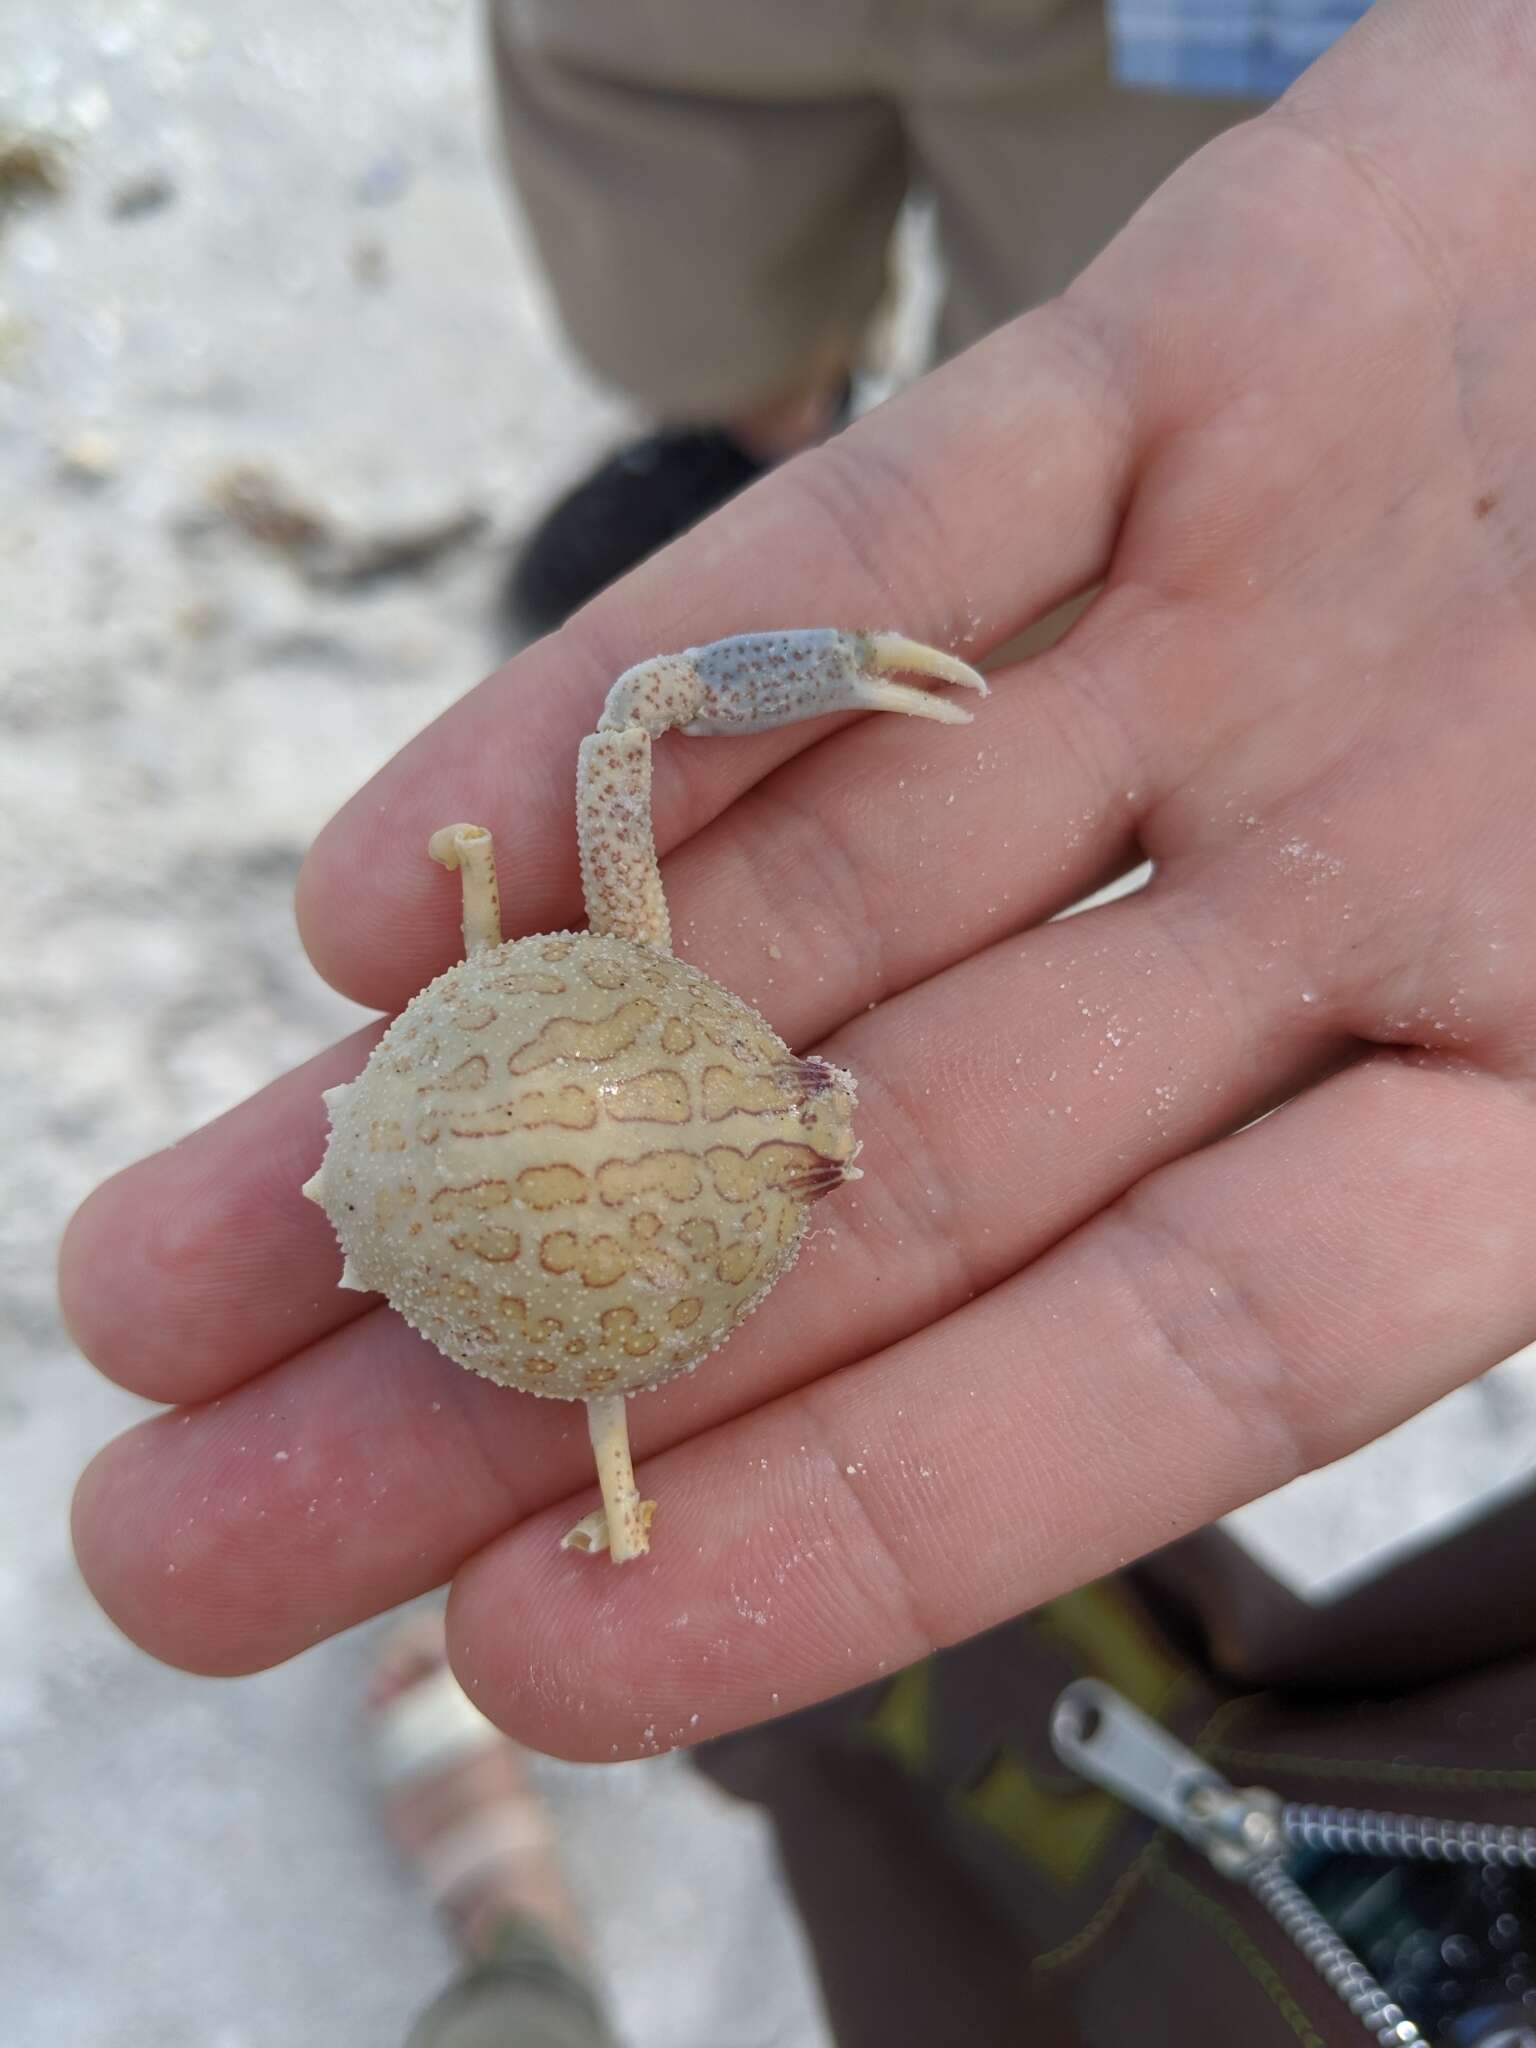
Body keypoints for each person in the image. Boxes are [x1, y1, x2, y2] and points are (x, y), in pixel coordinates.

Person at [61, 0, 1536, 2035]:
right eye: (819, 1120)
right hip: (466, 1149)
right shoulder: (676, 1264)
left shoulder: (664, 1162)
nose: (831, 1126)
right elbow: (653, 717)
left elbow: (633, 737)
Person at [491, 0, 1266, 633]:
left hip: (1148, 34)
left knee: (1084, 398)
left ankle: (997, 610)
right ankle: (754, 437)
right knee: (680, 309)